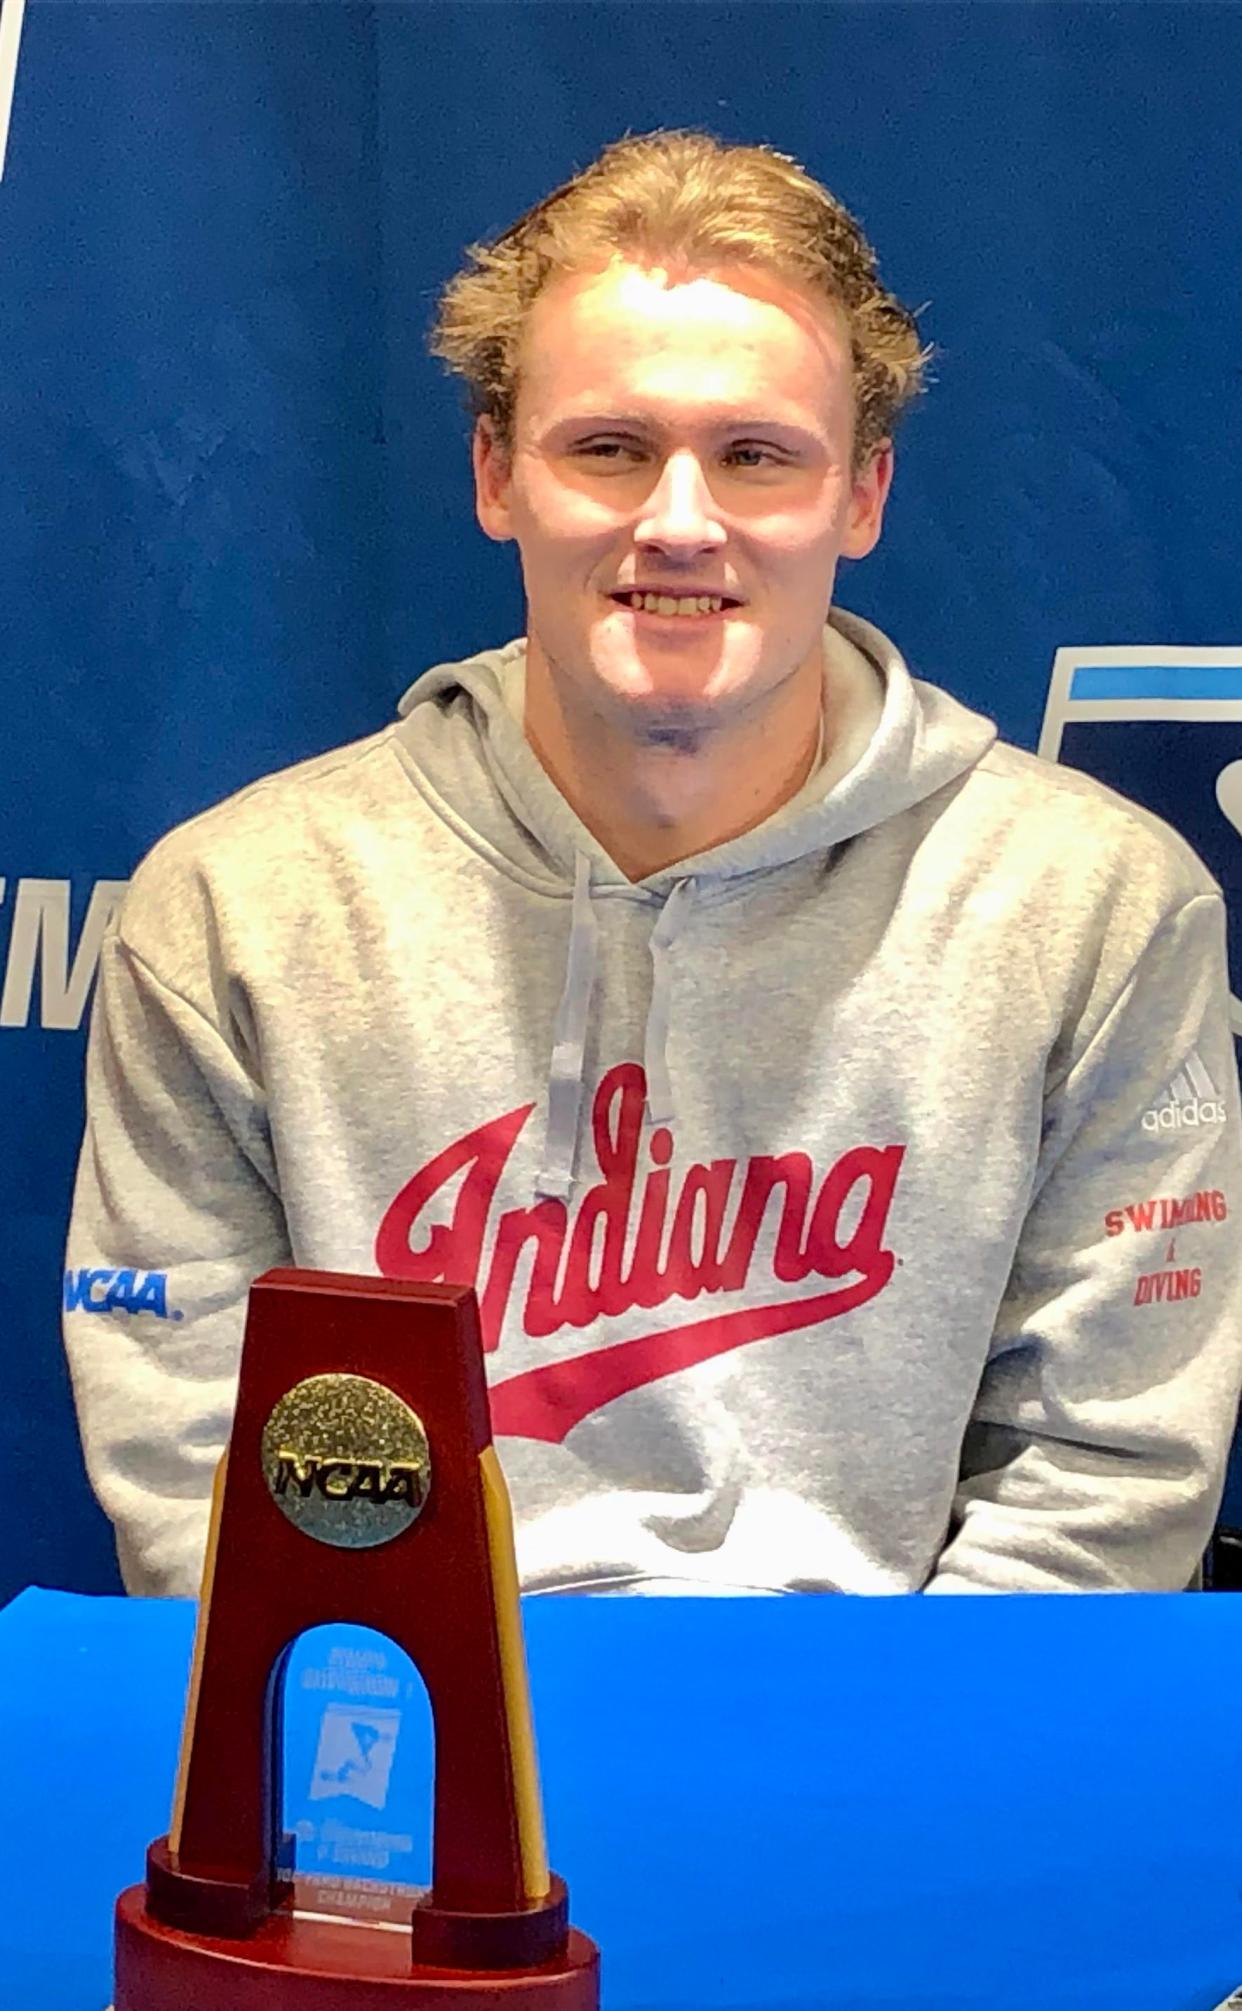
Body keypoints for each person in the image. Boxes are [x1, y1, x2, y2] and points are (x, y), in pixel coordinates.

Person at [63, 129, 1242, 1600]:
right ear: (497, 474)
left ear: (861, 498)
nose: (677, 523)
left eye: (755, 456)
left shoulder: (1094, 909)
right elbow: (196, 1460)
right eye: (608, 448)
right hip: (414, 1738)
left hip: (897, 1739)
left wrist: (881, 1779)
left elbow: (1105, 1471)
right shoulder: (241, 904)